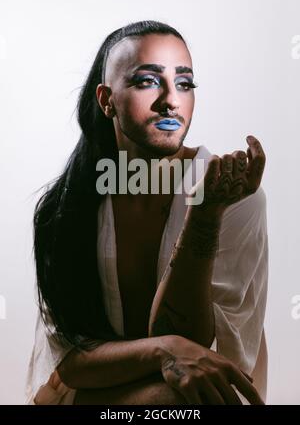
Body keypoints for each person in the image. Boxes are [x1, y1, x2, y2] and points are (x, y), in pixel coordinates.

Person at [25, 20, 268, 405]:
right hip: (90, 393)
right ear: (107, 100)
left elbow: (200, 352)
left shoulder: (230, 194)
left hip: (192, 396)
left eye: (185, 83)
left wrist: (204, 216)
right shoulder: (65, 207)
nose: (171, 99)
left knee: (185, 400)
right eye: (147, 82)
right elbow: (71, 359)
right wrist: (164, 349)